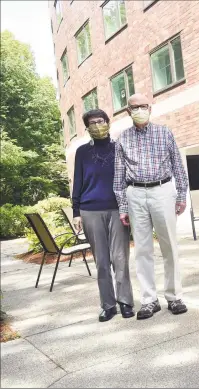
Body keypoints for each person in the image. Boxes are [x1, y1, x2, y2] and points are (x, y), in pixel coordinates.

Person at [113, 93, 188, 320]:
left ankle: (174, 296)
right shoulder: (122, 139)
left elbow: (177, 165)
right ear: (128, 111)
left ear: (150, 108)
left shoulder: (164, 133)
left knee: (169, 247)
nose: (139, 110)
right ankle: (149, 300)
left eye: (143, 106)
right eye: (134, 107)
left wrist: (181, 194)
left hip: (162, 190)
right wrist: (123, 206)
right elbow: (118, 176)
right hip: (135, 192)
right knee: (143, 250)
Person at [72, 109, 134, 322]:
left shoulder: (120, 148)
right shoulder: (81, 152)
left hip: (118, 209)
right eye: (92, 123)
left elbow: (128, 178)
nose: (97, 125)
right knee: (101, 261)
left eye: (101, 121)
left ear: (108, 122)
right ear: (87, 128)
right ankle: (108, 305)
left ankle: (125, 301)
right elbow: (78, 182)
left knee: (120, 258)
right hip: (90, 211)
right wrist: (76, 212)